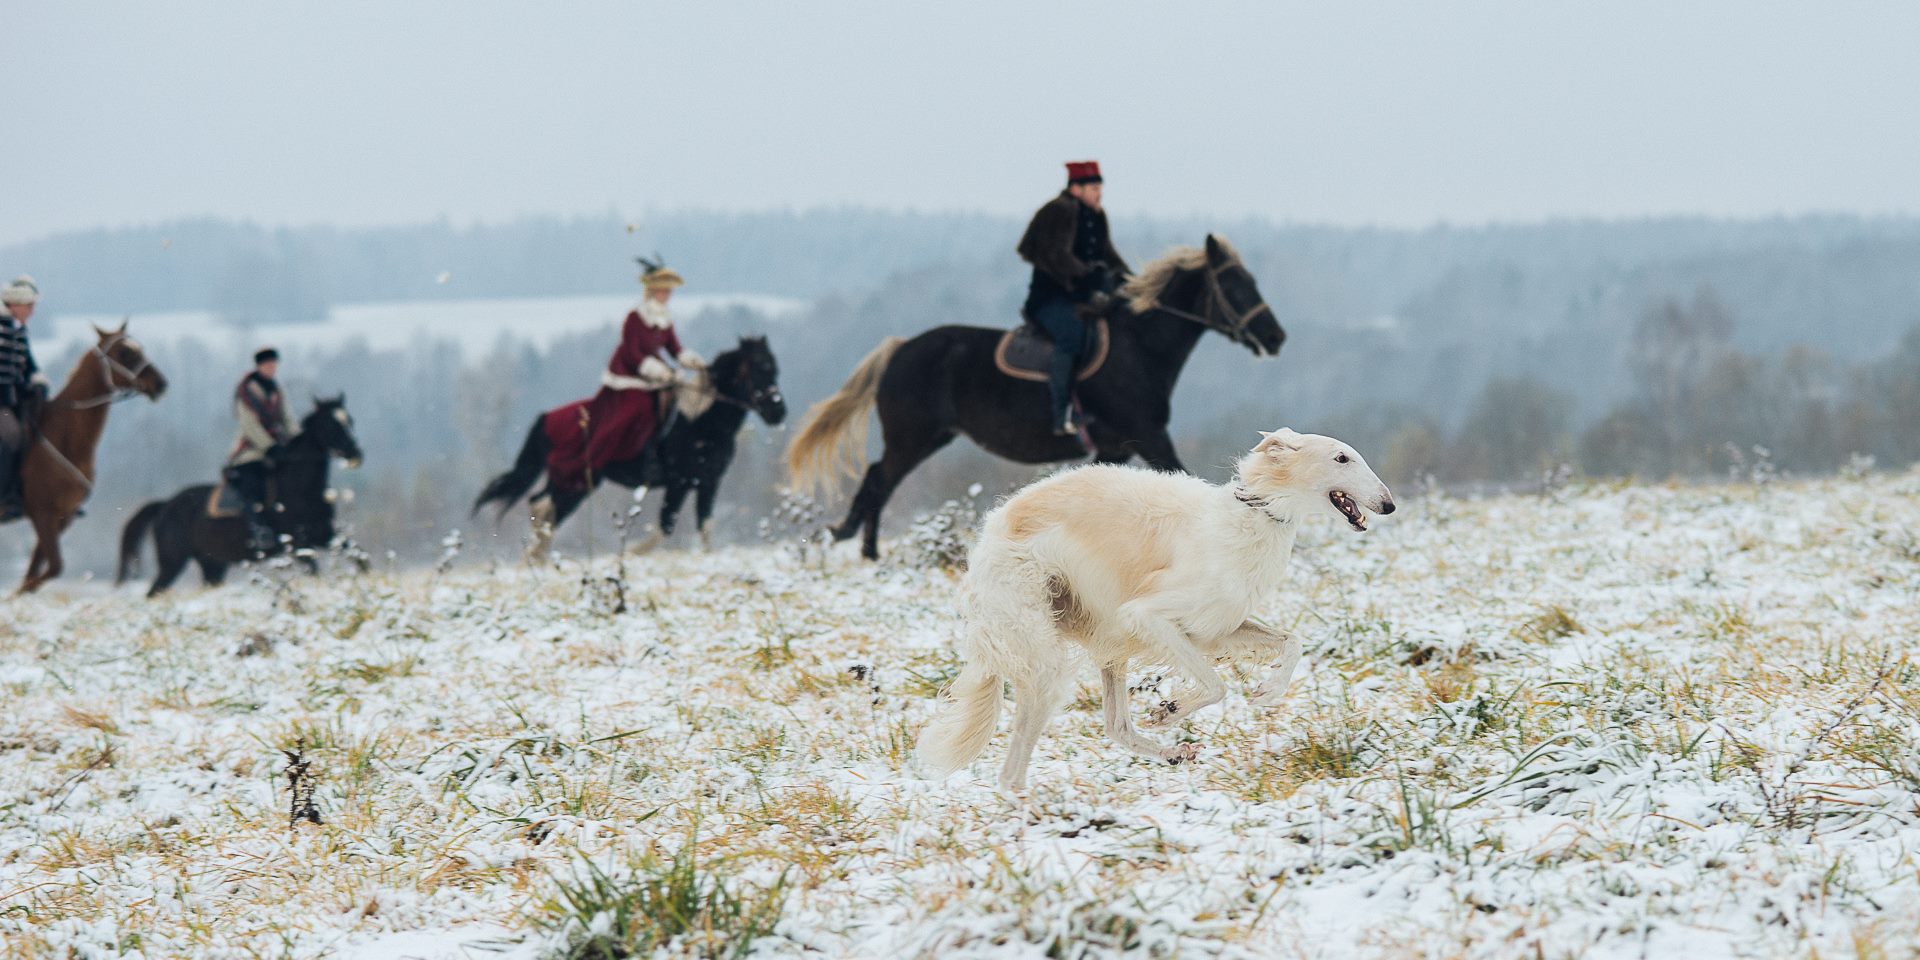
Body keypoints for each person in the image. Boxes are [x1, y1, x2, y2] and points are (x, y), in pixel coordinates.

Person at [543, 257, 705, 494]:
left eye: (669, 291)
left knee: (675, 404)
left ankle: (665, 453)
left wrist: (692, 362)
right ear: (652, 290)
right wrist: (658, 370)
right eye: (663, 290)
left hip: (654, 378)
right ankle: (617, 456)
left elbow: (674, 349)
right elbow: (632, 353)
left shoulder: (665, 319)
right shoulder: (635, 317)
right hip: (628, 375)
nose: (667, 295)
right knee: (639, 409)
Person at [1017, 160, 1132, 435]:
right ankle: (1062, 413)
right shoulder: (1057, 212)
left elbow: (1108, 254)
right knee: (1072, 337)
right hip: (1049, 300)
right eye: (1094, 188)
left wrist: (1130, 280)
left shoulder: (1096, 216)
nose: (1099, 194)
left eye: (1099, 188)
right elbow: (1055, 254)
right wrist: (1087, 275)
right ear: (1076, 188)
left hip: (1082, 298)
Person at [226, 347, 299, 554]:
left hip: (278, 446)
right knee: (252, 484)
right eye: (268, 365)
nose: (271, 369)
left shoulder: (277, 389)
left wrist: (296, 439)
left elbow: (287, 418)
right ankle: (258, 526)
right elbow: (249, 424)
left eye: (274, 365)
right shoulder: (246, 390)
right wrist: (269, 446)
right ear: (259, 366)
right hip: (251, 449)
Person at [0, 275, 47, 520]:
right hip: (2, 400)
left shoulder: (18, 329)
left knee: (37, 430)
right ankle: (5, 496)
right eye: (29, 305)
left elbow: (27, 364)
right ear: (15, 304)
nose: (32, 310)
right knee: (12, 435)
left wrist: (37, 381)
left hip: (12, 398)